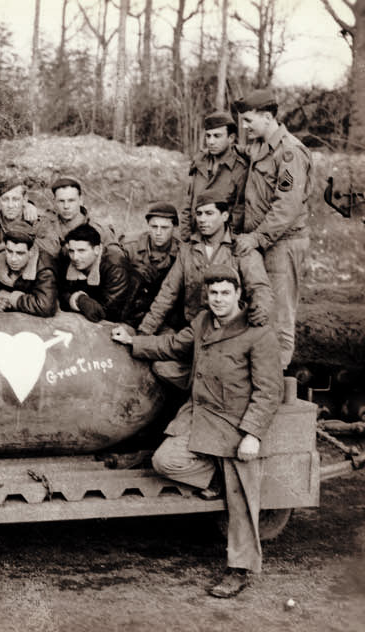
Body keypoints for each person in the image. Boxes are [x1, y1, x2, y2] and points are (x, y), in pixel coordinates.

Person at [111, 265, 282, 598]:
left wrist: (253, 434)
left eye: (224, 293)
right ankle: (214, 478)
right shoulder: (204, 321)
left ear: (238, 295)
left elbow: (269, 390)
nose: (218, 300)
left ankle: (240, 568)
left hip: (235, 422)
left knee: (242, 500)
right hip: (200, 414)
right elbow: (175, 345)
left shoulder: (258, 334)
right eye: (213, 293)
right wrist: (134, 341)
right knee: (165, 461)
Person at [137, 192, 272, 389]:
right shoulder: (188, 250)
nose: (202, 219)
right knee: (161, 367)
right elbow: (167, 294)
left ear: (225, 216)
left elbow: (260, 288)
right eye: (199, 214)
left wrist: (261, 309)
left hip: (229, 335)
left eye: (209, 213)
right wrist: (144, 331)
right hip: (194, 334)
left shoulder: (241, 250)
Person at [234, 88, 312, 371]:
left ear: (267, 118)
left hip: (283, 243)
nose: (244, 127)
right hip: (264, 242)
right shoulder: (260, 147)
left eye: (248, 121)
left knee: (279, 314)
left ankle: (275, 379)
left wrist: (256, 238)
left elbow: (286, 207)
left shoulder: (289, 153)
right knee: (259, 306)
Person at [180, 111, 248, 239]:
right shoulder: (199, 163)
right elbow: (188, 205)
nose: (211, 141)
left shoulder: (240, 169)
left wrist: (226, 243)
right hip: (194, 239)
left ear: (231, 138)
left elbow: (239, 212)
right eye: (208, 136)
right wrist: (185, 239)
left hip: (222, 242)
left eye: (217, 136)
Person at [122, 202, 181, 328]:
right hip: (130, 307)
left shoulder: (182, 253)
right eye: (154, 227)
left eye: (164, 228)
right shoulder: (129, 246)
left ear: (174, 227)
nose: (158, 233)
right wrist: (132, 272)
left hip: (163, 310)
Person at [58, 223, 131, 323]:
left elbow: (105, 314)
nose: (75, 257)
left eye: (81, 251)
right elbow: (58, 291)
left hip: (128, 319)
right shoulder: (68, 258)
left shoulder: (115, 268)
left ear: (96, 250)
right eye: (71, 251)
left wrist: (78, 299)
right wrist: (79, 300)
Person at [45, 176, 119, 258]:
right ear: (54, 201)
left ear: (80, 200)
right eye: (61, 201)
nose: (66, 206)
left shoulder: (100, 229)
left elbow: (116, 258)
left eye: (71, 200)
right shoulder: (45, 225)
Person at [0, 225, 58, 317]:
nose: (13, 259)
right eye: (9, 251)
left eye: (20, 253)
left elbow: (45, 306)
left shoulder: (44, 268)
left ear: (31, 252)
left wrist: (11, 297)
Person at [0, 177, 59, 257]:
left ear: (24, 200)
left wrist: (12, 244)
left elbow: (53, 248)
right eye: (5, 199)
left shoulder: (38, 221)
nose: (10, 205)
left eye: (15, 199)